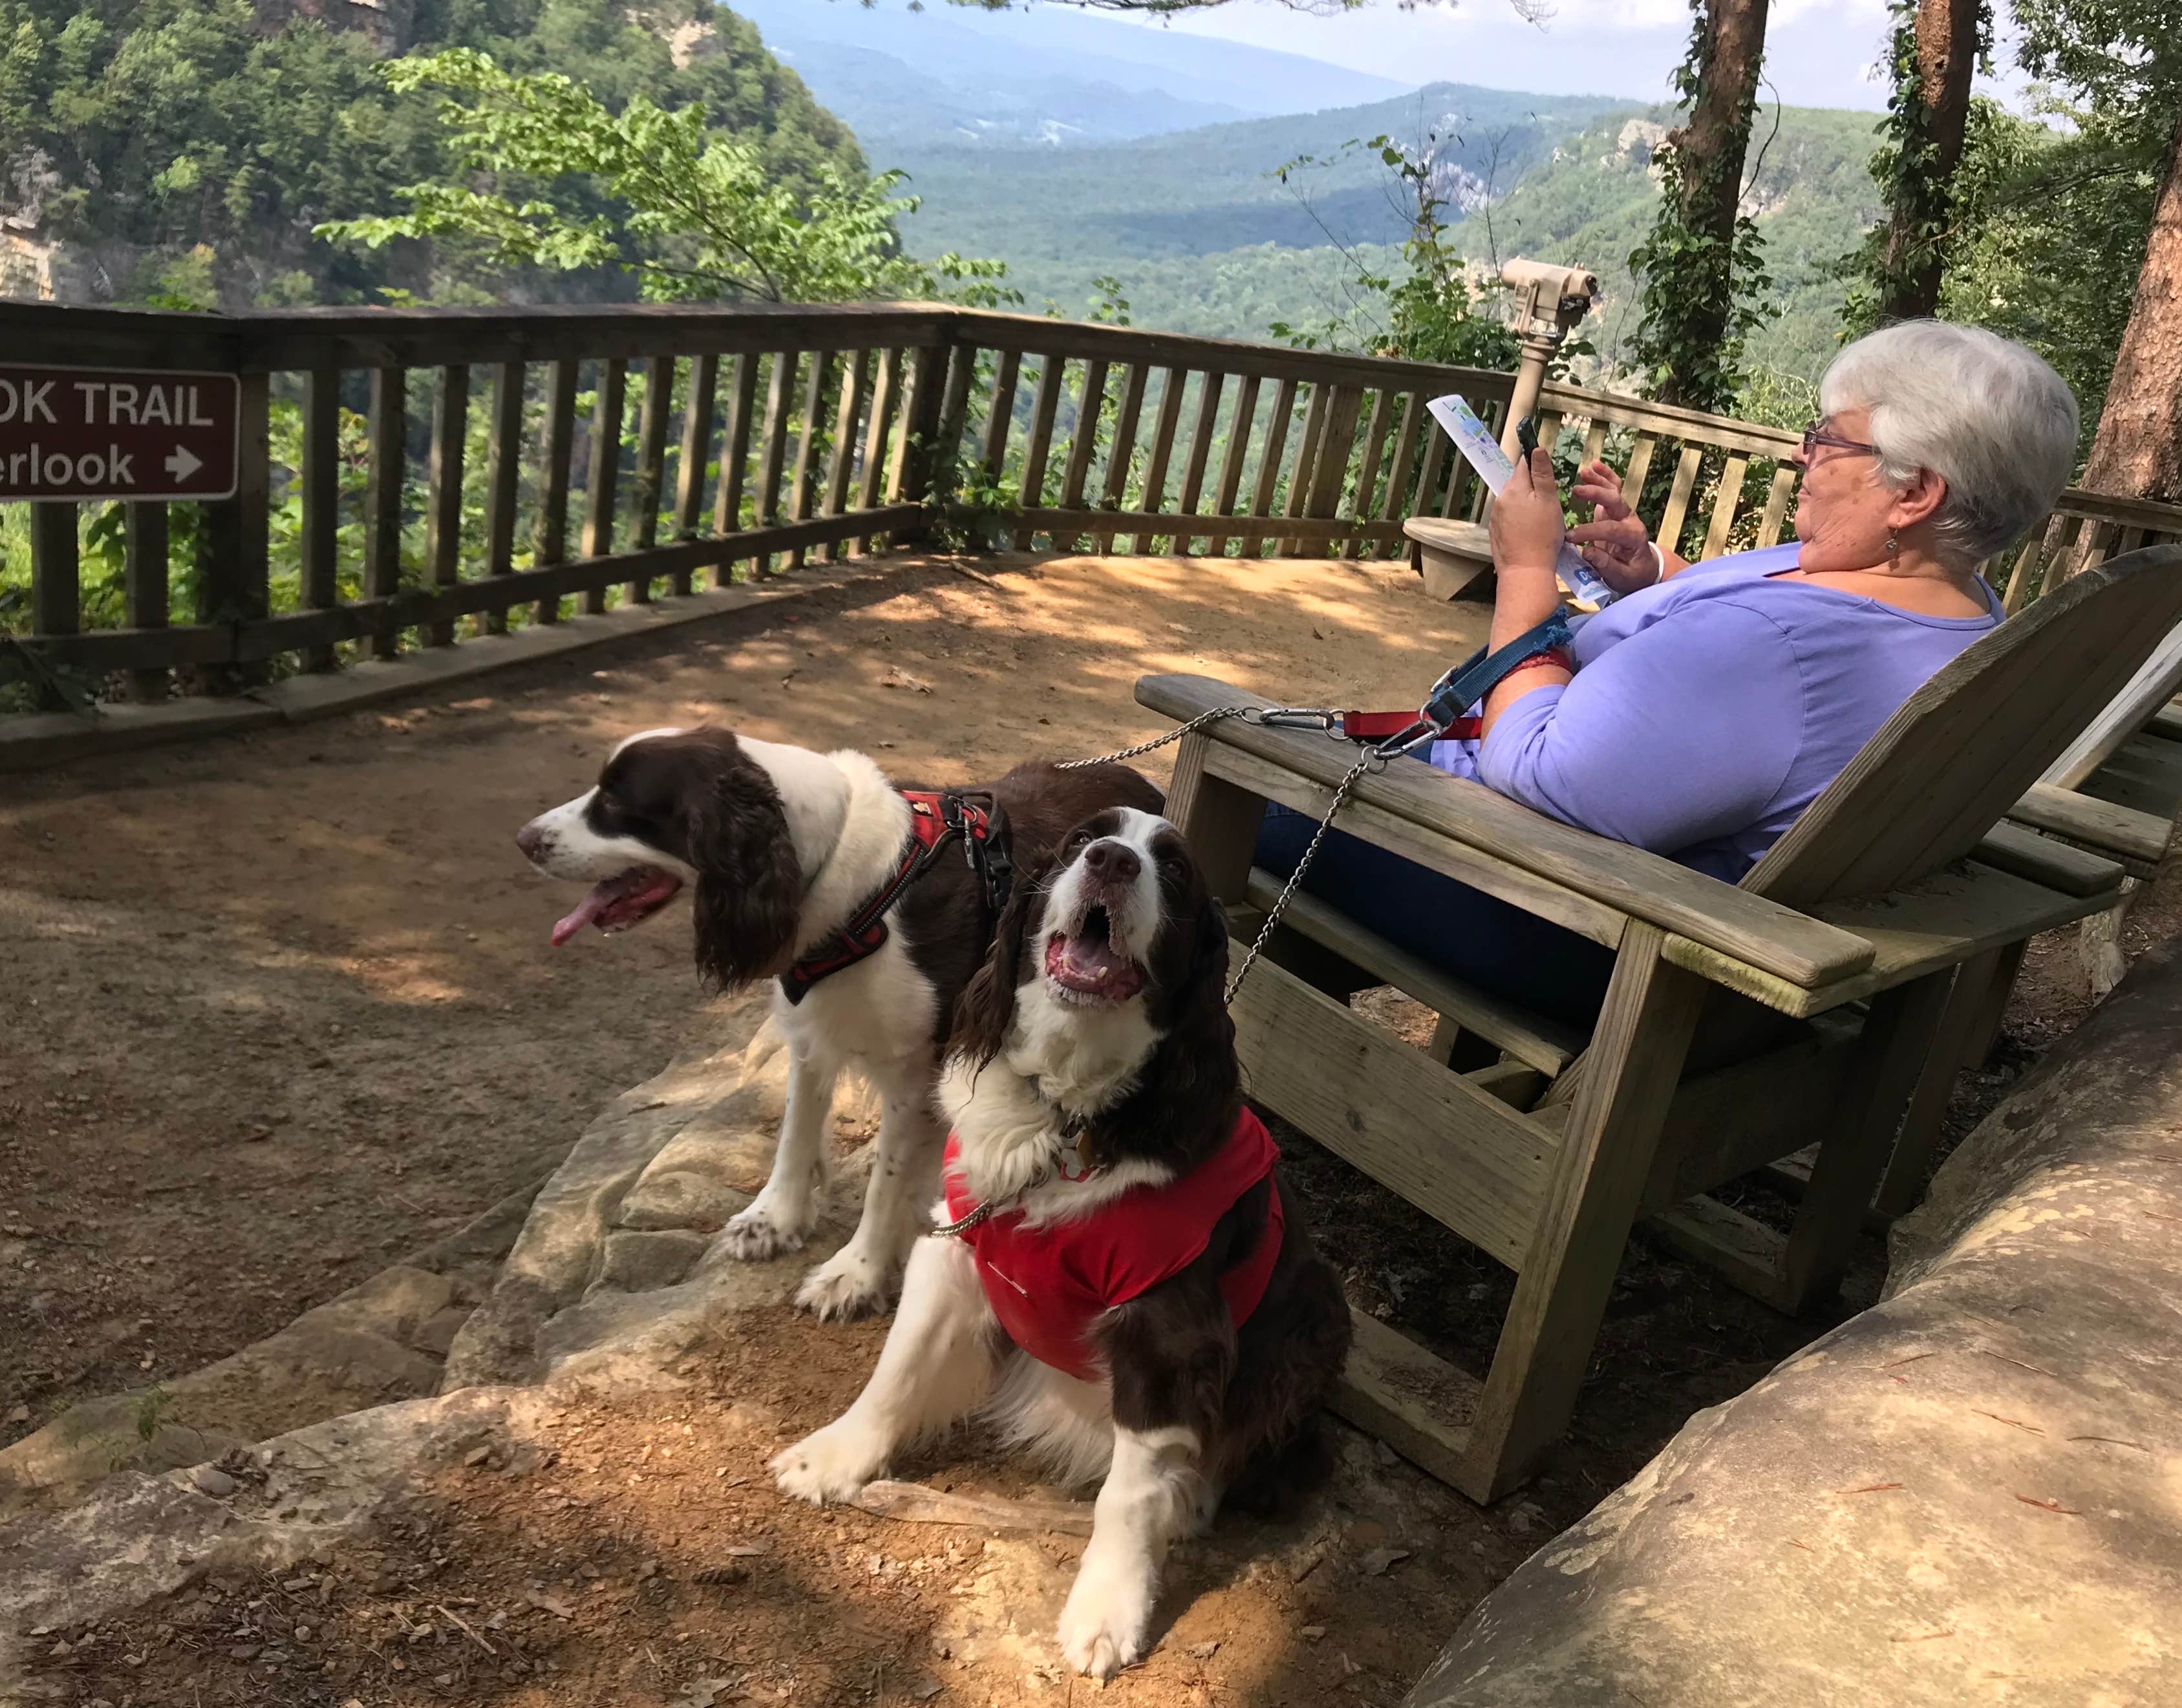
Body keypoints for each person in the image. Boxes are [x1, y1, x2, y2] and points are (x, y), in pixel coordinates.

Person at [1257, 319, 2081, 1024]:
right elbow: (1756, 652)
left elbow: (1536, 775)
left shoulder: (1773, 649)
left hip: (1558, 911)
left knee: (1243, 801)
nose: (1804, 455)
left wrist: (1525, 569)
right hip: (1658, 907)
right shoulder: (1956, 606)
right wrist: (1652, 573)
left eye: (1830, 440)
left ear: (1915, 493)